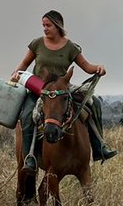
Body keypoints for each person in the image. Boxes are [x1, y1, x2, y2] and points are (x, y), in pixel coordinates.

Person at [9, 10, 116, 173]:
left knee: (94, 104)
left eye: (48, 25)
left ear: (58, 26)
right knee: (27, 116)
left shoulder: (70, 47)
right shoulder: (37, 43)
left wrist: (98, 68)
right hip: (40, 90)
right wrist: (16, 73)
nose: (45, 28)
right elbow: (24, 63)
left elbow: (87, 66)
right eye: (43, 25)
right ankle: (29, 157)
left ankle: (99, 147)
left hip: (62, 92)